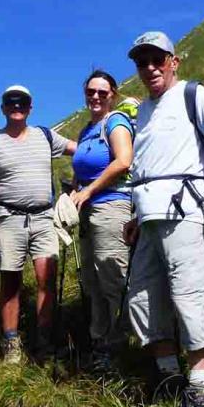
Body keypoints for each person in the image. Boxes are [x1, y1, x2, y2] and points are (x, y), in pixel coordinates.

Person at [124, 30, 204, 407]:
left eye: (158, 59)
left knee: (188, 297)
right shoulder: (141, 112)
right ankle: (169, 381)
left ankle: (199, 392)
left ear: (174, 61)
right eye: (143, 62)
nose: (151, 67)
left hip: (187, 213)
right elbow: (143, 169)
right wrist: (134, 215)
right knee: (142, 300)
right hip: (148, 220)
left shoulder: (194, 94)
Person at [0, 85, 77, 363]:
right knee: (10, 281)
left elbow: (79, 151)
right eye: (10, 102)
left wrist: (109, 136)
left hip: (44, 218)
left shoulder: (46, 136)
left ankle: (44, 342)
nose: (16, 106)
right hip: (8, 219)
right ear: (3, 108)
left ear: (30, 107)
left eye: (22, 102)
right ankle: (11, 342)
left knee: (47, 279)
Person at [69, 70, 135, 375]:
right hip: (88, 212)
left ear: (113, 96)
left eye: (102, 93)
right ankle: (101, 345)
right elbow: (82, 172)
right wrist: (72, 192)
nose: (95, 97)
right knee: (93, 282)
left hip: (112, 207)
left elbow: (123, 161)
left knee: (113, 277)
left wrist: (89, 191)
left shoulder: (115, 122)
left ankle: (125, 346)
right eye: (91, 92)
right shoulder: (86, 131)